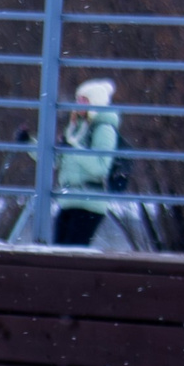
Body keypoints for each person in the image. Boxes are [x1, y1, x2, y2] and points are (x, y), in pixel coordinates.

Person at [53, 78, 123, 248]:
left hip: (90, 203)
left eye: (84, 100)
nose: (78, 104)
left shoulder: (104, 129)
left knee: (71, 256)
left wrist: (73, 149)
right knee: (57, 255)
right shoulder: (75, 128)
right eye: (78, 99)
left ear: (95, 102)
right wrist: (30, 143)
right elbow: (55, 162)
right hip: (69, 199)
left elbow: (101, 168)